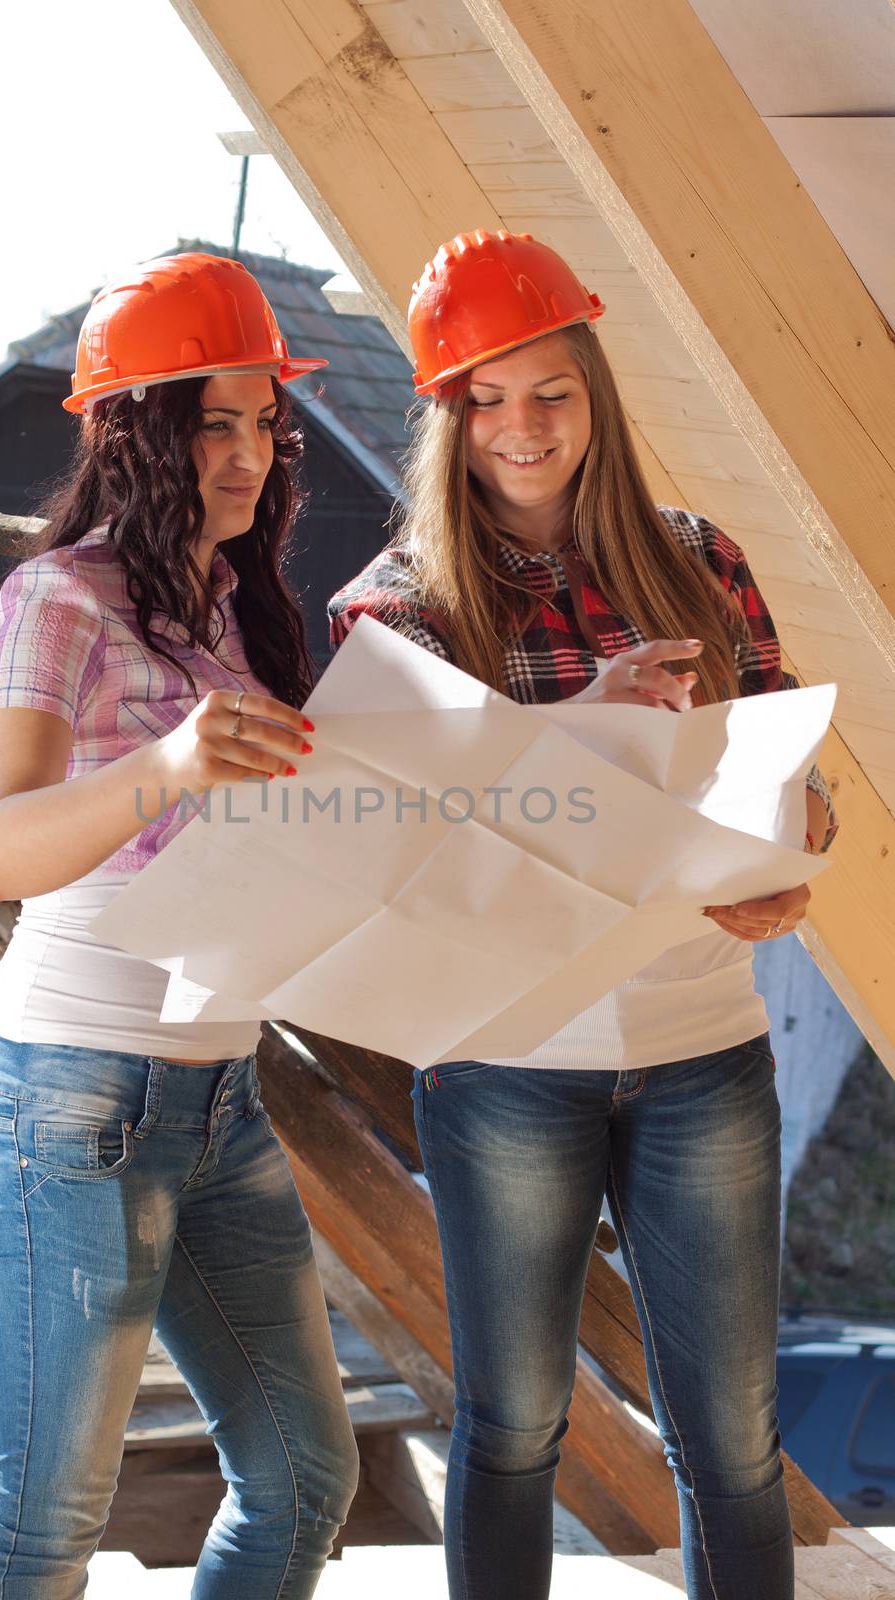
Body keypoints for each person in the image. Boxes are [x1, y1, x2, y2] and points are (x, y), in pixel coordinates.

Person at [328, 230, 838, 1600]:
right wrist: (576, 729)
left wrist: (793, 852)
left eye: (549, 390)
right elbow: (401, 854)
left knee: (730, 1442)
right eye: (484, 398)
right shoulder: (398, 616)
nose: (520, 427)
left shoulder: (697, 563)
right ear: (444, 416)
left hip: (701, 1046)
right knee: (512, 1433)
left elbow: (787, 767)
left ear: (595, 395)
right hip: (507, 1064)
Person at [0, 252, 359, 1600]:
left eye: (263, 422)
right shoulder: (55, 600)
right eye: (211, 419)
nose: (245, 454)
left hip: (219, 1096)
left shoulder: (245, 611)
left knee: (306, 1478)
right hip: (67, 1101)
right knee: (49, 1524)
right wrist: (163, 769)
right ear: (134, 430)